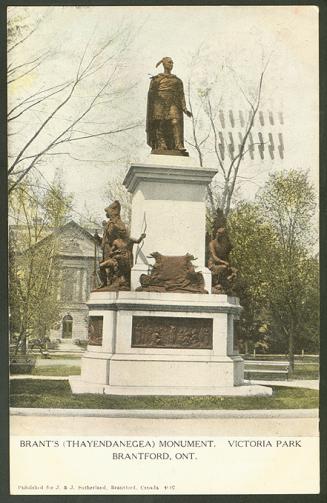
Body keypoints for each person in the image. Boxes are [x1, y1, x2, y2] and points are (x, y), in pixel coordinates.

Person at [146, 57, 192, 154]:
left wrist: (184, 108)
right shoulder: (156, 79)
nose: (171, 64)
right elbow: (151, 94)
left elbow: (181, 94)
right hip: (159, 102)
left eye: (172, 63)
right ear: (164, 64)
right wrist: (153, 106)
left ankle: (178, 144)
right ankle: (161, 143)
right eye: (169, 62)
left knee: (175, 121)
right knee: (160, 122)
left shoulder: (177, 80)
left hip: (173, 102)